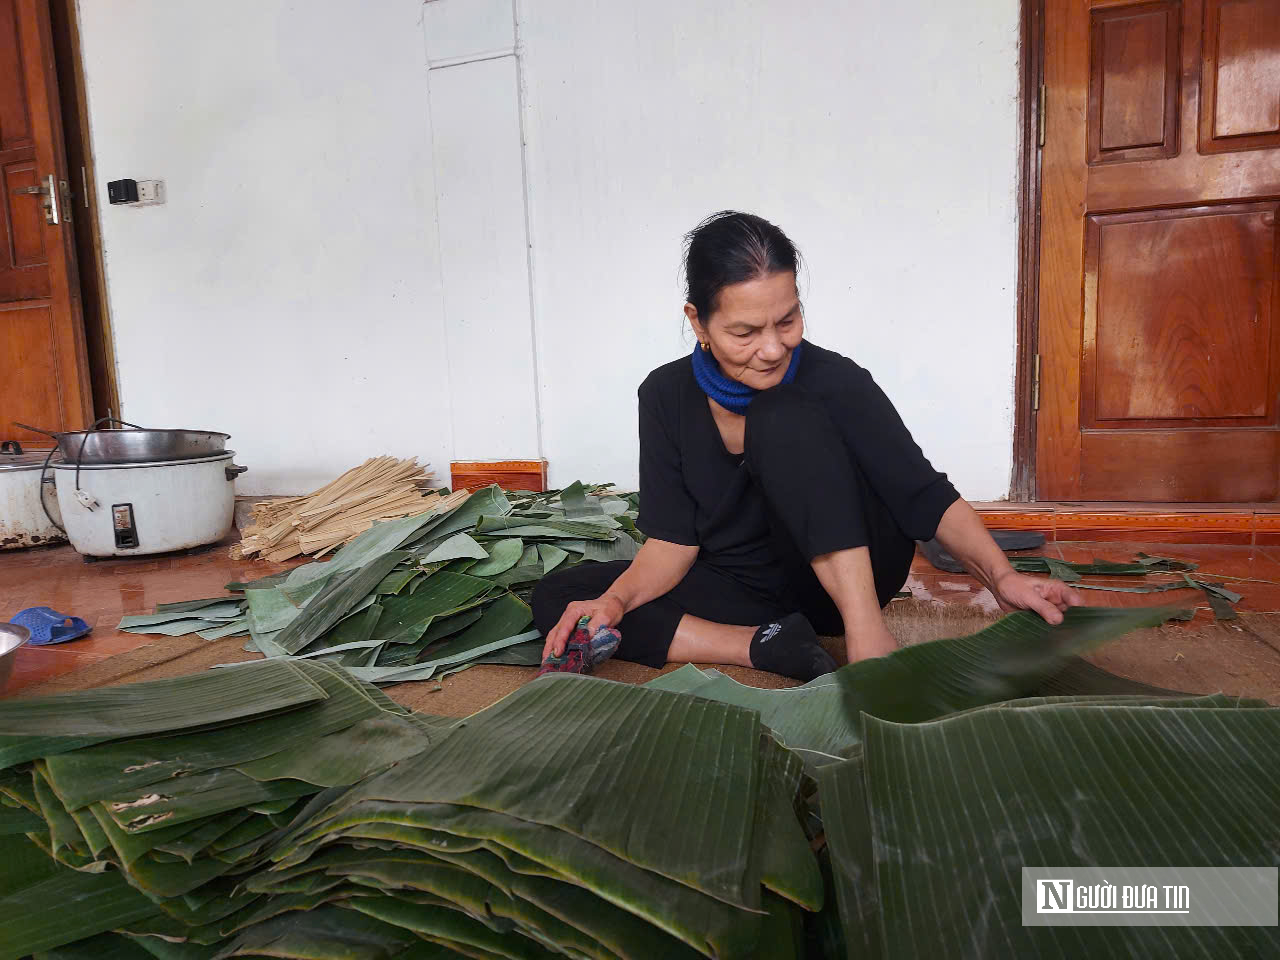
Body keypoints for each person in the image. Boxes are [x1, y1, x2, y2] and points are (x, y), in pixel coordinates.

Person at [531, 211, 1082, 681]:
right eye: (745, 332)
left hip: (847, 584)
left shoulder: (836, 381)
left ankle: (866, 637)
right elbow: (673, 542)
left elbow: (924, 496)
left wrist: (1001, 578)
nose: (773, 349)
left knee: (781, 414)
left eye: (788, 320)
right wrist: (616, 602)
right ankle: (763, 645)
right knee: (564, 598)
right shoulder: (664, 395)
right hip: (743, 586)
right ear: (698, 322)